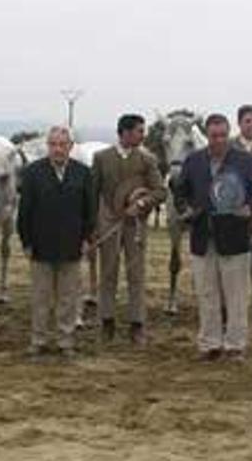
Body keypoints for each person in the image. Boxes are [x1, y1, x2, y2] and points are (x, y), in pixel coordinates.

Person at [174, 113, 252, 361]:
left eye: (222, 135)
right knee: (207, 293)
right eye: (213, 136)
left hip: (234, 237)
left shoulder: (246, 161)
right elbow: (180, 192)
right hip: (202, 236)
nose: (218, 140)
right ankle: (210, 343)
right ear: (207, 136)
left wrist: (249, 209)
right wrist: (185, 211)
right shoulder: (193, 161)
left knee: (236, 295)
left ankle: (235, 345)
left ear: (228, 133)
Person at [17, 126, 96, 358]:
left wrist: (87, 238)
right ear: (47, 146)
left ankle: (65, 341)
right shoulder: (32, 173)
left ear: (71, 147)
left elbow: (90, 210)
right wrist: (26, 242)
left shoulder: (83, 173)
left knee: (68, 298)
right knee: (41, 298)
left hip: (72, 245)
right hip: (40, 245)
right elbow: (25, 212)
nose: (58, 149)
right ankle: (38, 340)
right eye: (53, 144)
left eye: (63, 144)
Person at [92, 114, 167, 345]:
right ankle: (107, 322)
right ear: (124, 132)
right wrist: (93, 226)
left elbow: (160, 191)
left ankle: (137, 324)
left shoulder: (147, 160)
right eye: (139, 131)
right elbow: (93, 193)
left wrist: (142, 204)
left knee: (136, 275)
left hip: (135, 226)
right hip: (109, 224)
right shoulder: (101, 158)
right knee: (108, 273)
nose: (143, 135)